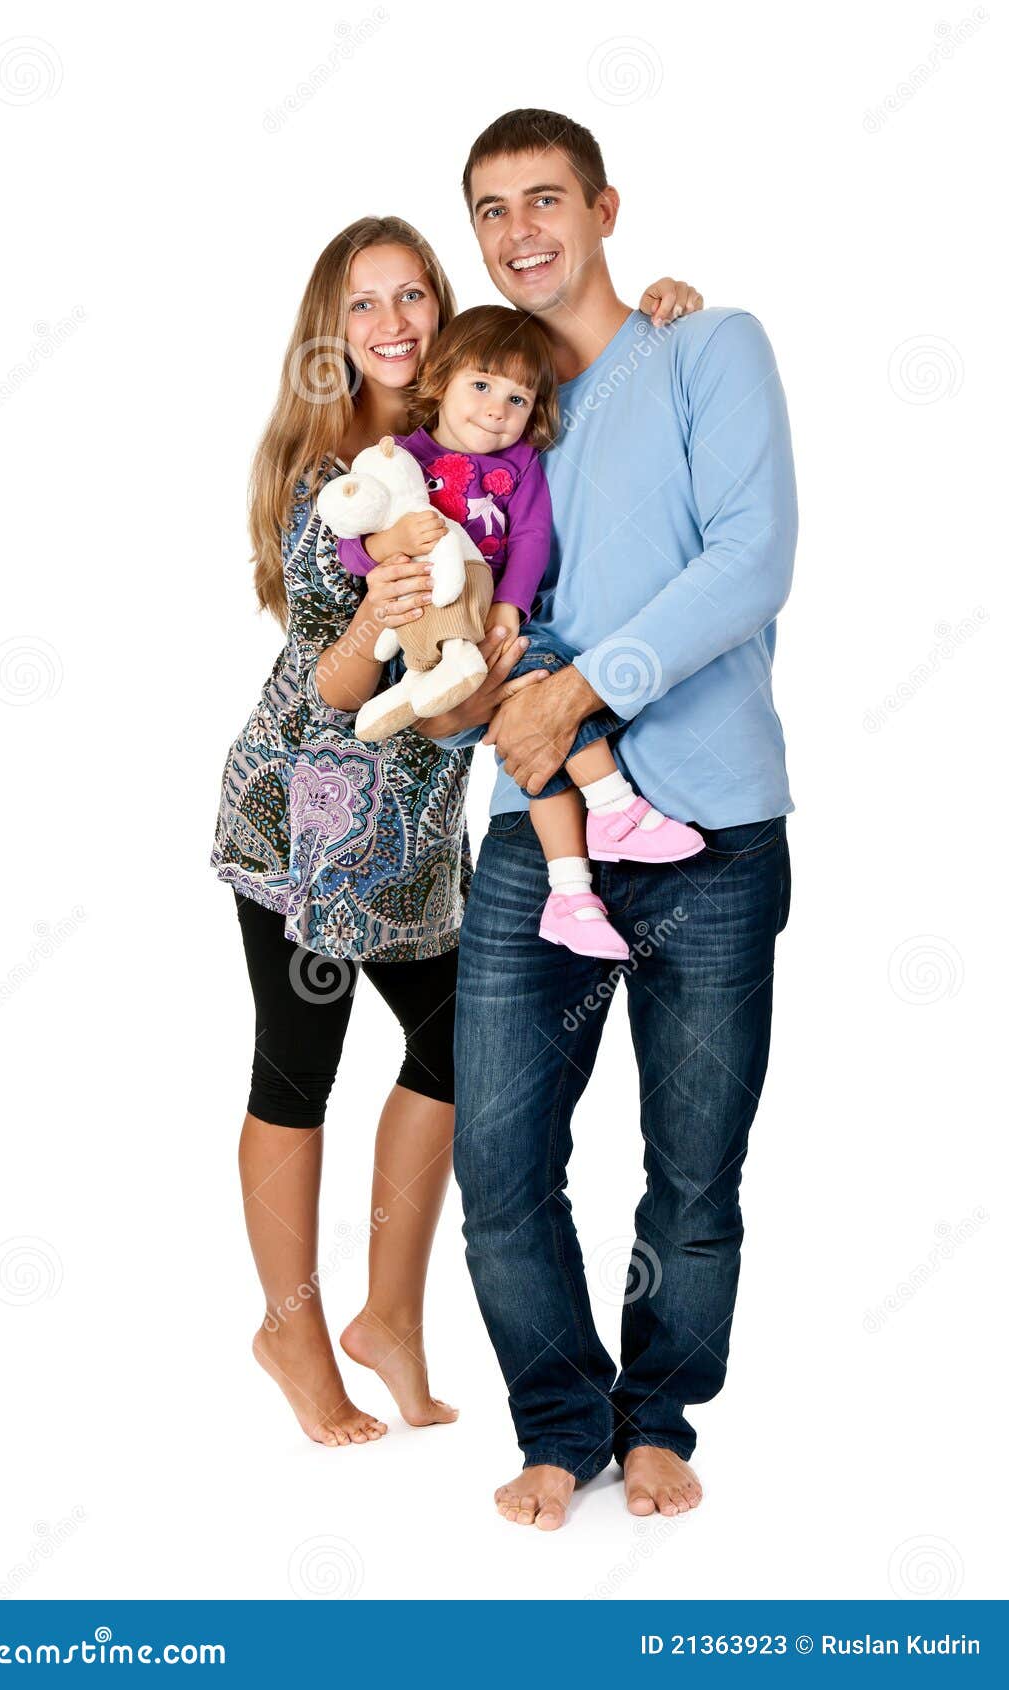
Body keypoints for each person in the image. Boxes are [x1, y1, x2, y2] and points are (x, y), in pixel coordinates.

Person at [211, 211, 703, 1447]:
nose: (393, 324)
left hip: (420, 834)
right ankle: (290, 1324)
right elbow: (322, 691)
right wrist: (377, 615)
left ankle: (389, 1314)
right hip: (303, 818)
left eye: (412, 297)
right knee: (297, 1064)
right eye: (364, 305)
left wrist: (660, 321)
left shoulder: (474, 432)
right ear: (332, 336)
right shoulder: (338, 478)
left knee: (451, 1053)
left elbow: (565, 384)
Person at [426, 109, 797, 1529]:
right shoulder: (490, 409)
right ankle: (558, 1421)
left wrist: (580, 681)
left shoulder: (704, 347)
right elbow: (468, 623)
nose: (518, 231)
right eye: (489, 210)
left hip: (706, 826)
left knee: (692, 1162)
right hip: (539, 833)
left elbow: (749, 556)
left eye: (543, 199)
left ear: (602, 206)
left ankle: (657, 1418)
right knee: (499, 1159)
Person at [338, 304, 704, 965]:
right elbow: (352, 547)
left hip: (492, 623)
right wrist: (390, 541)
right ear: (442, 377)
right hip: (430, 636)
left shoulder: (519, 464)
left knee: (532, 699)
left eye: (516, 397)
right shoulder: (404, 460)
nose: (495, 409)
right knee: (541, 682)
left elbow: (532, 537)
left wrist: (508, 607)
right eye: (480, 385)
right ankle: (613, 804)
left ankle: (569, 892)